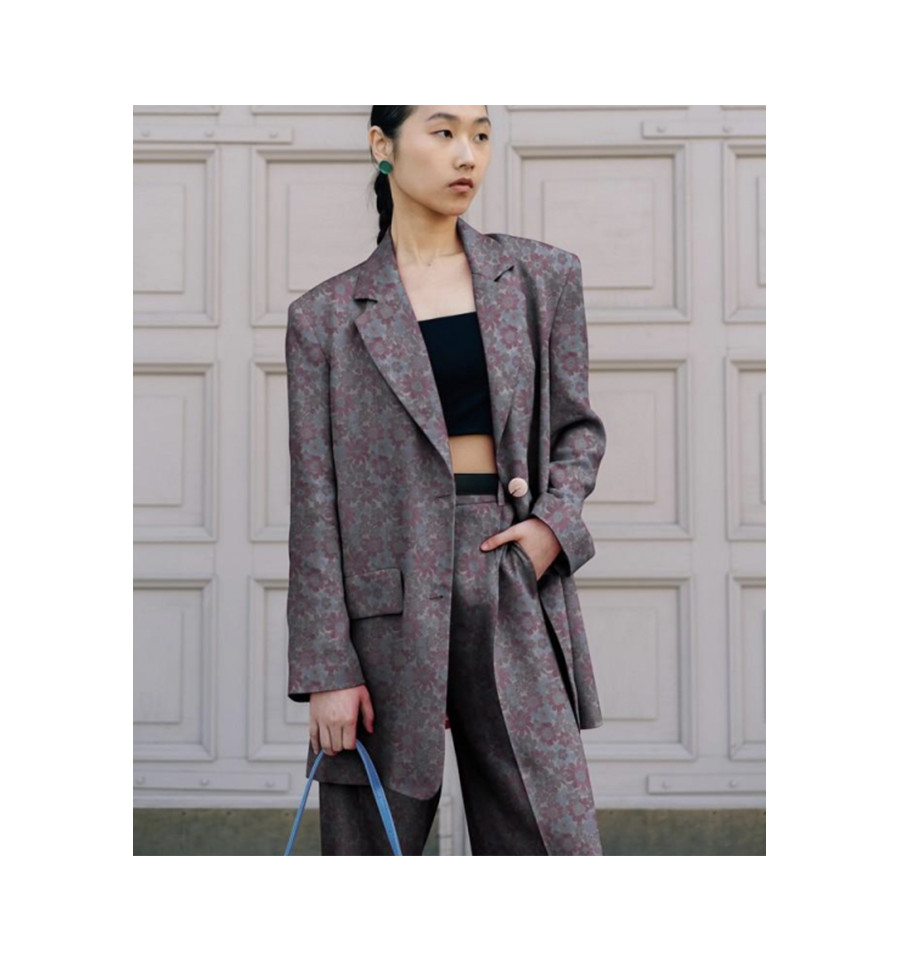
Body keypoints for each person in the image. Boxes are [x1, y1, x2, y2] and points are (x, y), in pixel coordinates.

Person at [285, 106, 606, 855]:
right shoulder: (325, 318)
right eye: (443, 132)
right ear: (383, 146)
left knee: (552, 839)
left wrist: (551, 530)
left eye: (481, 134)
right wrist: (327, 667)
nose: (468, 154)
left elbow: (578, 430)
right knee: (371, 850)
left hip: (509, 575)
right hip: (386, 610)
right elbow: (314, 502)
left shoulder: (541, 278)